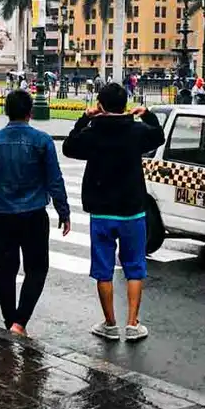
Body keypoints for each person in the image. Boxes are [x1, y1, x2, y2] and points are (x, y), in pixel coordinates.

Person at [0, 90, 70, 337]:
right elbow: (55, 179)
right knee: (37, 268)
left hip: (0, 214)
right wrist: (63, 210)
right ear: (30, 112)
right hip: (33, 214)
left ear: (6, 111)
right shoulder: (42, 141)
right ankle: (20, 322)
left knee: (5, 270)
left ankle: (11, 320)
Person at [62, 84, 165, 342]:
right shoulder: (137, 131)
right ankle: (132, 323)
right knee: (134, 267)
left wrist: (86, 117)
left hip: (102, 211)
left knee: (103, 269)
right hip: (132, 210)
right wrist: (147, 114)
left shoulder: (93, 132)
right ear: (125, 104)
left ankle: (110, 323)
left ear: (101, 105)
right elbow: (158, 136)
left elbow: (69, 146)